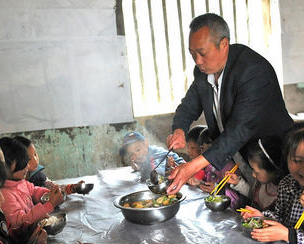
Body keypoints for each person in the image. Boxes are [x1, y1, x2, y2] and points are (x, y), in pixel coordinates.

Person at [166, 13, 293, 194]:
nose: (198, 61)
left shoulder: (253, 71)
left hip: (270, 157)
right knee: (249, 200)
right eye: (192, 54)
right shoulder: (203, 71)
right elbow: (189, 105)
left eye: (202, 53)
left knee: (278, 202)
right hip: (240, 155)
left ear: (224, 45)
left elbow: (239, 130)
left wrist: (193, 166)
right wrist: (179, 130)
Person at [240, 121, 304, 244]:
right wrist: (264, 218)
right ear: (286, 157)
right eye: (297, 161)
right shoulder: (286, 183)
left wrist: (288, 235)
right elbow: (281, 219)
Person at [0, 137, 63, 230]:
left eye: (26, 162)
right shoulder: (4, 194)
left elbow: (33, 191)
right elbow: (20, 222)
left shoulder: (20, 181)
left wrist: (48, 194)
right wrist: (50, 205)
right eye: (21, 165)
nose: (27, 167)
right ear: (5, 168)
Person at [226, 136, 284, 211]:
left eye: (256, 171)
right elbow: (253, 195)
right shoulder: (260, 184)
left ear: (274, 171)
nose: (253, 174)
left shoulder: (282, 196)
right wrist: (238, 183)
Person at [14, 135, 85, 194]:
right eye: (29, 159)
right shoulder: (15, 183)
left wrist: (72, 188)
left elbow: (54, 187)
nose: (35, 160)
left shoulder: (38, 176)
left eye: (35, 154)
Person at [119, 131, 185, 181]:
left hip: (186, 174)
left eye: (138, 150)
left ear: (146, 144)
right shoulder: (144, 155)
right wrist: (136, 165)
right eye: (131, 154)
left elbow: (156, 175)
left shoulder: (156, 155)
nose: (136, 155)